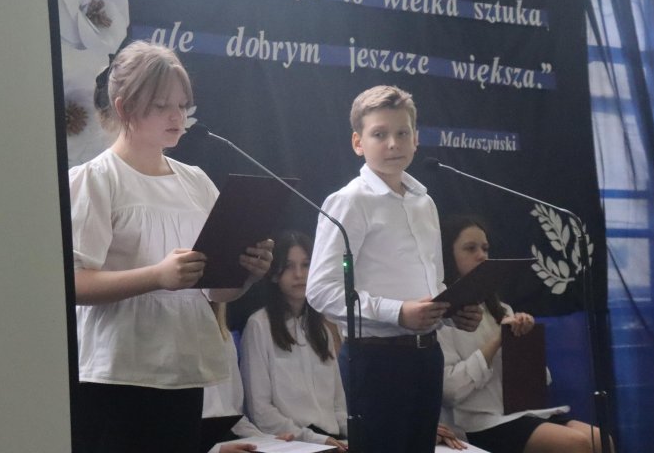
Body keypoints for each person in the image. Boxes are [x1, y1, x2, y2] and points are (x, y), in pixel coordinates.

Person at [69, 41, 274, 453]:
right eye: (162, 106)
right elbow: (73, 284)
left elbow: (215, 292)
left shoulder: (196, 181)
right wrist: (157, 276)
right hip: (116, 375)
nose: (177, 117)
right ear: (125, 108)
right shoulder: (96, 179)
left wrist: (246, 274)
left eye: (182, 105)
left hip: (182, 369)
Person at [306, 85, 482, 453]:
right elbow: (321, 291)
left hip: (428, 354)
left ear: (416, 139)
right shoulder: (349, 201)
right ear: (358, 142)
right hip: (375, 358)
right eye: (379, 134)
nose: (393, 144)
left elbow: (431, 282)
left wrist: (451, 312)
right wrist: (397, 312)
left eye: (402, 133)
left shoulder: (424, 202)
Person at [437, 214, 610, 453]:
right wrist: (499, 340)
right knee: (575, 444)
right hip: (478, 422)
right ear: (448, 255)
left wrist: (524, 342)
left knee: (602, 440)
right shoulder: (441, 318)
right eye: (470, 248)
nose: (482, 256)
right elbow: (451, 391)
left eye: (485, 248)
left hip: (519, 413)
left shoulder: (501, 310)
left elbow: (540, 382)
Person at [241, 230, 349, 452]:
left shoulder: (322, 329)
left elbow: (338, 405)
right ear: (275, 274)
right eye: (289, 266)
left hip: (332, 440)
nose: (299, 274)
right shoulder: (259, 325)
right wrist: (315, 440)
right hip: (292, 444)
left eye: (306, 265)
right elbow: (261, 411)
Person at [202, 302, 294, 453]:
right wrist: (216, 450)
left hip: (224, 440)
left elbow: (235, 417)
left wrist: (267, 440)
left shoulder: (224, 338)